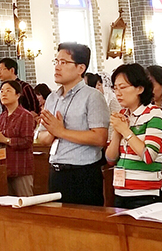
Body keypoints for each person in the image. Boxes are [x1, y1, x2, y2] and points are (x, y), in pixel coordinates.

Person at [37, 42, 109, 206]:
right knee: (58, 227)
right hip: (55, 171)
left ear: (80, 68)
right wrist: (51, 133)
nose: (57, 67)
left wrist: (61, 131)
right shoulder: (52, 98)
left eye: (64, 62)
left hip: (83, 174)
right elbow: (42, 136)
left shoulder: (93, 97)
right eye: (56, 61)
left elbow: (100, 138)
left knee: (85, 227)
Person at [106, 64, 162, 209]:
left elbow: (148, 156)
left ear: (140, 88)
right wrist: (117, 132)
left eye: (123, 87)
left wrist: (126, 132)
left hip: (146, 194)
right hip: (121, 192)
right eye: (115, 88)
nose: (118, 93)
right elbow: (110, 159)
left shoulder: (154, 114)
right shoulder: (123, 115)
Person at [0, 81, 35, 196]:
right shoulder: (2, 117)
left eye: (8, 91)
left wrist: (6, 140)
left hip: (20, 168)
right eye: (1, 91)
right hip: (4, 168)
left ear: (18, 95)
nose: (4, 94)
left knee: (24, 204)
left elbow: (27, 141)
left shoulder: (26, 115)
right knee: (8, 206)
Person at [87, 72, 122, 140]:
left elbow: (114, 122)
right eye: (96, 85)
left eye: (99, 85)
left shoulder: (112, 100)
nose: (97, 87)